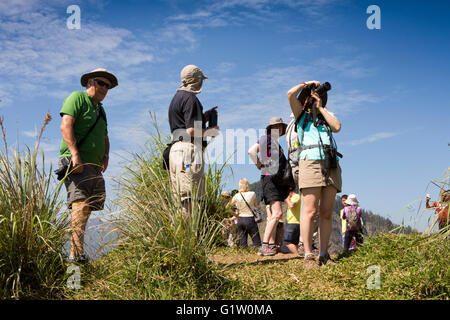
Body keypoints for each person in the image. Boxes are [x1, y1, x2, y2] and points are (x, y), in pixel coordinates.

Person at [58, 68, 118, 263]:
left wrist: (106, 155)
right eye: (101, 83)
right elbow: (66, 125)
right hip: (78, 162)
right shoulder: (76, 98)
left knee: (88, 208)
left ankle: (78, 252)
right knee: (80, 205)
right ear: (90, 82)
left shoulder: (101, 110)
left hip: (94, 165)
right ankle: (75, 257)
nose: (105, 88)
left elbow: (105, 136)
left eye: (108, 86)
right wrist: (75, 154)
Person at [287, 80, 342, 268]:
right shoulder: (300, 115)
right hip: (310, 161)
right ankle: (309, 254)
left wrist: (321, 108)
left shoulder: (326, 116)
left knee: (326, 211)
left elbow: (337, 127)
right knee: (310, 211)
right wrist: (306, 84)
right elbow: (289, 94)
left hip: (331, 162)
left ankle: (324, 254)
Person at [168, 65, 219, 218]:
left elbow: (182, 125)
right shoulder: (191, 99)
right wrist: (211, 131)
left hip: (175, 151)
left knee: (180, 200)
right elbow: (190, 130)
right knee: (191, 200)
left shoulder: (176, 99)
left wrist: (203, 118)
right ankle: (190, 240)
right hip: (188, 151)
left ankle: (179, 240)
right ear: (197, 80)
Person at [248, 117, 294, 256]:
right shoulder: (266, 139)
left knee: (275, 214)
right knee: (277, 214)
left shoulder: (272, 142)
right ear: (271, 129)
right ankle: (265, 245)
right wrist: (258, 165)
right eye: (276, 127)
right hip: (270, 180)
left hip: (272, 180)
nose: (278, 129)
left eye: (280, 127)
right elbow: (251, 151)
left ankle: (270, 245)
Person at [230, 178, 262, 247]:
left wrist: (235, 215)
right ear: (247, 185)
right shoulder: (252, 194)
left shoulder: (236, 196)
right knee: (257, 243)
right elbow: (256, 206)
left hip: (240, 220)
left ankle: (243, 256)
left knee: (242, 245)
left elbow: (227, 207)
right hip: (250, 219)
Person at [280, 190, 301, 254]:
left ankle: (297, 255)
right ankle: (297, 254)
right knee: (294, 242)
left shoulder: (296, 196)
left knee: (287, 242)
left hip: (293, 223)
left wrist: (286, 199)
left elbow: (291, 205)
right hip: (295, 222)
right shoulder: (293, 197)